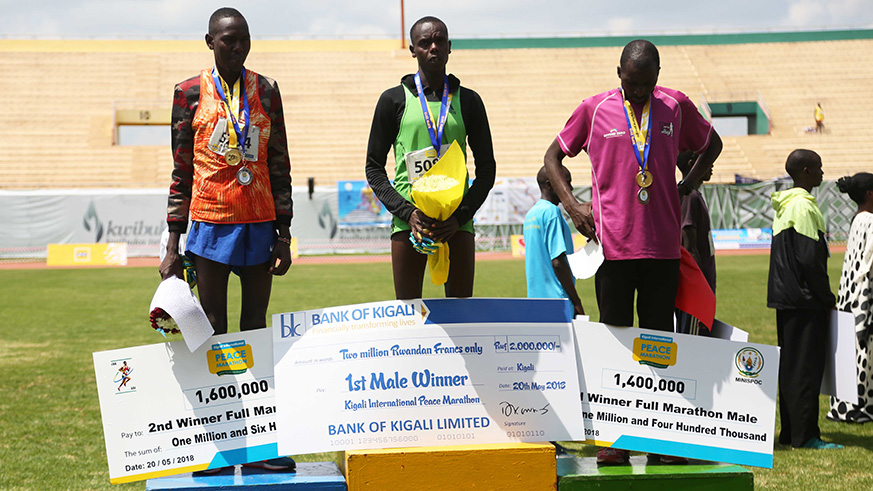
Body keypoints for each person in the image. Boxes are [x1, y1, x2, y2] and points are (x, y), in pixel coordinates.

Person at [542, 39, 722, 466]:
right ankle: (616, 440)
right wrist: (572, 204)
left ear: (657, 78)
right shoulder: (594, 109)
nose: (639, 91)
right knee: (616, 343)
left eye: (647, 84)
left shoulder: (675, 106)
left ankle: (660, 439)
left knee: (659, 343)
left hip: (662, 247)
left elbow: (711, 144)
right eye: (632, 82)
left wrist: (687, 186)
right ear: (618, 72)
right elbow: (552, 157)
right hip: (614, 248)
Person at [160, 7, 295, 472]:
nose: (237, 48)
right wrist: (172, 246)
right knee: (212, 327)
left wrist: (284, 230)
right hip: (210, 224)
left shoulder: (267, 90)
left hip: (259, 223)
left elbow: (278, 161)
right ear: (209, 41)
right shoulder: (188, 93)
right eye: (228, 40)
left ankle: (260, 448)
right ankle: (218, 448)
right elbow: (180, 170)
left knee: (255, 325)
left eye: (244, 40)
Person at [365, 16, 496, 300]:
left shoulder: (469, 100)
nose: (433, 47)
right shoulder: (393, 100)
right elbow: (373, 168)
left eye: (439, 41)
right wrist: (408, 213)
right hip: (410, 222)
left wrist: (461, 216)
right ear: (413, 50)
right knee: (408, 314)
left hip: (457, 223)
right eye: (425, 43)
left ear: (449, 47)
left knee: (461, 311)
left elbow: (487, 169)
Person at [767, 149, 842, 449]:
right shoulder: (804, 207)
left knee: (791, 367)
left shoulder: (784, 205)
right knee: (806, 368)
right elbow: (810, 259)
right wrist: (826, 298)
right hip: (804, 298)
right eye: (820, 168)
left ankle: (790, 433)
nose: (823, 173)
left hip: (786, 298)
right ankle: (806, 435)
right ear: (807, 171)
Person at [827, 172, 873, 424]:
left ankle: (845, 405)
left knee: (850, 353)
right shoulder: (870, 222)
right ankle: (857, 408)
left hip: (849, 293)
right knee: (861, 353)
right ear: (870, 194)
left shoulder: (858, 219)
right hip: (863, 294)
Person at [524, 165, 584, 317]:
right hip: (558, 302)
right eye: (566, 182)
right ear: (550, 184)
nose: (569, 187)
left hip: (535, 302)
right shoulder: (552, 212)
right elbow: (557, 261)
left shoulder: (531, 214)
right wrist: (576, 301)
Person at [676, 150, 716, 335]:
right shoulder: (689, 197)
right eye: (706, 160)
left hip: (700, 285)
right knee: (691, 339)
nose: (712, 165)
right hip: (695, 288)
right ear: (692, 163)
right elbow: (689, 246)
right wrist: (699, 289)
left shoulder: (695, 195)